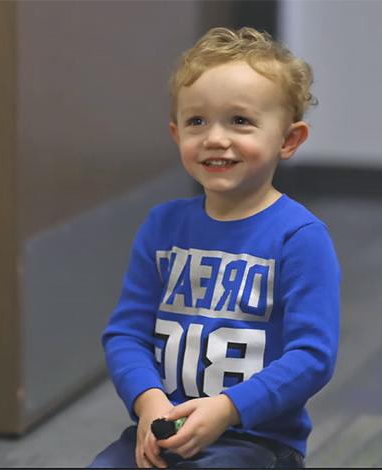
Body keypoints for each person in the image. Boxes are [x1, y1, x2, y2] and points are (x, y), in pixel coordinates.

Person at [90, 26, 340, 468]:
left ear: (288, 140)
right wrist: (149, 403)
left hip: (256, 440)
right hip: (165, 429)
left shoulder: (299, 237)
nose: (215, 138)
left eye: (240, 121)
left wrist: (228, 408)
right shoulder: (162, 225)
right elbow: (126, 333)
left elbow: (312, 357)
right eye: (197, 121)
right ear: (176, 133)